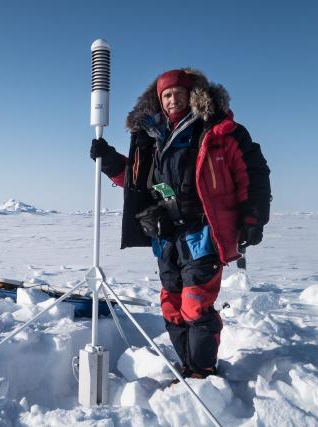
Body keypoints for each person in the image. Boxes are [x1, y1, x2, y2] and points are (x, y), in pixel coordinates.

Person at [90, 69, 271, 379]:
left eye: (178, 93)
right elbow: (136, 181)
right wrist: (109, 161)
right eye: (166, 95)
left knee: (196, 304)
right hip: (166, 235)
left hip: (203, 231)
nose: (173, 99)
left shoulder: (220, 131)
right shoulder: (150, 138)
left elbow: (253, 175)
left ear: (193, 96)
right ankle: (188, 364)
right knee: (171, 306)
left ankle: (201, 372)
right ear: (159, 102)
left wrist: (253, 219)